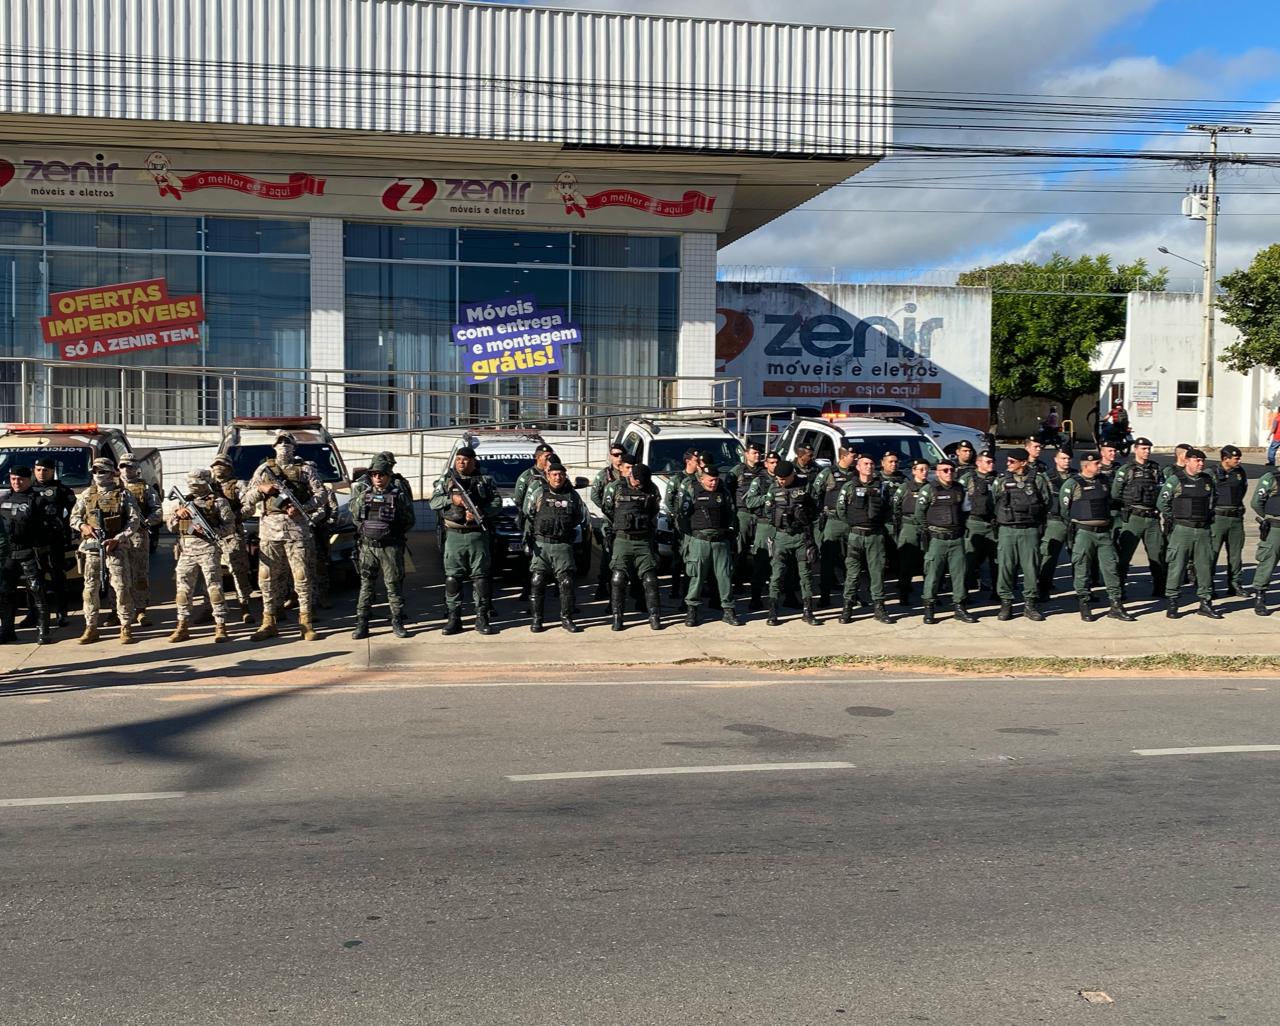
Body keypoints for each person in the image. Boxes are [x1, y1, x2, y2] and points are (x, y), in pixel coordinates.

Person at [243, 431, 323, 641]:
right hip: (269, 531)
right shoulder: (264, 469)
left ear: (294, 447)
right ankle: (268, 622)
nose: (284, 446)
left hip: (297, 530)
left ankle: (306, 622)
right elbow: (247, 499)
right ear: (273, 446)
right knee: (267, 578)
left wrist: (304, 507)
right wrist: (263, 489)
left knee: (301, 576)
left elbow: (321, 495)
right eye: (279, 443)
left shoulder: (305, 470)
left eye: (287, 443)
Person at [430, 446, 501, 636]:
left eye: (466, 459)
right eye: (459, 459)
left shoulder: (485, 481)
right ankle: (454, 619)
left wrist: (480, 513)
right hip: (454, 535)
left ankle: (482, 617)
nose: (461, 462)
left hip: (477, 534)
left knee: (481, 579)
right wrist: (452, 499)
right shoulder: (446, 481)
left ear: (473, 461)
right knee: (453, 578)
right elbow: (433, 503)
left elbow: (497, 503)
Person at [70, 458, 143, 644]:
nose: (98, 475)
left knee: (121, 588)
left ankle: (126, 626)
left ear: (112, 473)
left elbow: (134, 521)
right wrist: (83, 527)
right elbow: (74, 517)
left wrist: (118, 539)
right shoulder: (87, 494)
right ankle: (91, 627)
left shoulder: (124, 494)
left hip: (115, 548)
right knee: (90, 589)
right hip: (92, 548)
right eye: (95, 471)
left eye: (102, 471)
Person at [1060, 452, 1135, 623]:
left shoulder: (1103, 481)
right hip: (1084, 533)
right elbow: (1065, 509)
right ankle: (1085, 603)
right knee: (1082, 567)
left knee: (1111, 568)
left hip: (1103, 533)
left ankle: (1116, 605)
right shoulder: (1072, 484)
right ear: (1086, 466)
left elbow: (1109, 501)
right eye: (1097, 464)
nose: (1100, 466)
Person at [166, 469, 235, 644]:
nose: (193, 486)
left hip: (208, 550)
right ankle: (182, 625)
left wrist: (209, 532)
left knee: (214, 589)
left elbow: (230, 527)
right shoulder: (184, 503)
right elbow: (171, 527)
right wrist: (177, 516)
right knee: (183, 591)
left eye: (197, 482)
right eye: (191, 483)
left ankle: (220, 625)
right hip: (186, 552)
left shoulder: (219, 502)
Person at [351, 454, 416, 639]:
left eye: (381, 474)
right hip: (367, 547)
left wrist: (391, 533)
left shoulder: (398, 495)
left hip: (391, 547)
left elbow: (409, 520)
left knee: (393, 586)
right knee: (366, 586)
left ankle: (397, 621)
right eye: (374, 475)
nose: (377, 478)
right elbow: (356, 518)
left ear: (388, 475)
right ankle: (362, 624)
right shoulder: (363, 496)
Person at [1157, 447, 1221, 619]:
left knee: (1204, 566)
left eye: (1202, 461)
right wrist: (1176, 518)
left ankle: (1205, 603)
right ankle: (1172, 602)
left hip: (1203, 530)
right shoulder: (1175, 480)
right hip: (1182, 530)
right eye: (1197, 460)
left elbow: (1213, 501)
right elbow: (1162, 503)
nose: (1201, 464)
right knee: (1176, 566)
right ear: (1187, 461)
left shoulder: (1208, 480)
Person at [601, 457, 663, 631]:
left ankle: (654, 616)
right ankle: (617, 617)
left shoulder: (652, 489)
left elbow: (654, 510)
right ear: (630, 475)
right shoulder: (615, 488)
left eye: (642, 482)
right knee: (618, 578)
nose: (638, 485)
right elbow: (608, 510)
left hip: (643, 539)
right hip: (622, 539)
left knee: (650, 579)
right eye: (636, 481)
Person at [524, 460, 586, 633]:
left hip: (562, 545)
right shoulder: (538, 493)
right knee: (537, 582)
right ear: (547, 476)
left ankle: (566, 618)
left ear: (565, 476)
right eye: (554, 474)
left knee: (566, 582)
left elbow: (578, 517)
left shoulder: (573, 496)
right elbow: (529, 515)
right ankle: (537, 620)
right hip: (542, 544)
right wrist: (527, 541)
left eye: (561, 474)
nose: (558, 478)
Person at [994, 447, 1051, 621]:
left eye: (1012, 461)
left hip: (1029, 529)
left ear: (1023, 463)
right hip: (1007, 529)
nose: (1008, 464)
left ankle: (1030, 604)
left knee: (1031, 568)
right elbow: (994, 501)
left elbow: (1046, 502)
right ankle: (1006, 603)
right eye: (1008, 461)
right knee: (1005, 567)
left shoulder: (1038, 480)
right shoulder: (1002, 480)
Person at [679, 464, 740, 626]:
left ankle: (728, 610)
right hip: (700, 541)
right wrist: (690, 537)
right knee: (696, 577)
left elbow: (731, 514)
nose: (713, 483)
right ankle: (692, 611)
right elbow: (683, 517)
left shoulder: (724, 492)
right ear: (702, 478)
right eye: (710, 480)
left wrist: (729, 535)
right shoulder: (692, 490)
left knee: (725, 576)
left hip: (720, 542)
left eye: (716, 479)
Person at [835, 454, 894, 624]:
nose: (869, 466)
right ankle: (847, 607)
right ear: (858, 467)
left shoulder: (882, 487)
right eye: (865, 463)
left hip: (875, 535)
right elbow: (841, 509)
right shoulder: (849, 486)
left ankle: (879, 607)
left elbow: (888, 509)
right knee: (852, 573)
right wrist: (854, 523)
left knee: (877, 573)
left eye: (871, 463)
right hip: (855, 536)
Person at [915, 459, 975, 624]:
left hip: (956, 539)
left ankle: (960, 607)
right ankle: (929, 609)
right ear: (938, 472)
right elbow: (919, 514)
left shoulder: (959, 489)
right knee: (933, 575)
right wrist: (928, 531)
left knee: (959, 575)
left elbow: (966, 511)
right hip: (937, 539)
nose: (949, 473)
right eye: (945, 470)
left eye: (951, 470)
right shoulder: (929, 490)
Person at [0, 465, 53, 644]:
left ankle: (43, 631)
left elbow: (49, 529)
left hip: (30, 552)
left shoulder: (38, 501)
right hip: (9, 554)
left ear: (29, 479)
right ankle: (7, 630)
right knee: (5, 593)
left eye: (20, 479)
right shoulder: (4, 500)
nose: (17, 482)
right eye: (13, 479)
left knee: (37, 591)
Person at [762, 459, 819, 626]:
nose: (780, 481)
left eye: (783, 479)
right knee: (777, 575)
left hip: (801, 536)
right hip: (781, 537)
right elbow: (768, 511)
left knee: (805, 575)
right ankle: (773, 611)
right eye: (778, 478)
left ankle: (808, 611)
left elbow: (815, 509)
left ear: (792, 475)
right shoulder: (774, 489)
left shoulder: (805, 486)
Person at [1112, 437, 1165, 599]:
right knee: (1124, 556)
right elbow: (1115, 493)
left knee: (1157, 555)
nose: (1147, 452)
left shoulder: (1155, 469)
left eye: (1149, 449)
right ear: (1135, 449)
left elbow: (1161, 493)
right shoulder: (1126, 470)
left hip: (1152, 519)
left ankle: (1160, 588)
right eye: (1143, 449)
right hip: (1133, 518)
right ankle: (1119, 589)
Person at [118, 452, 162, 626]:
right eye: (123, 466)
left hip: (138, 536)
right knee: (118, 574)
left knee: (140, 573)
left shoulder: (145, 488)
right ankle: (116, 610)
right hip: (117, 536)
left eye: (130, 466)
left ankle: (141, 609)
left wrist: (147, 522)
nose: (127, 469)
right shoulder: (110, 487)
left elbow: (157, 511)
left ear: (137, 468)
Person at [210, 454, 255, 623]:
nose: (218, 468)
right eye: (215, 465)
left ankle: (245, 606)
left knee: (238, 571)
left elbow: (249, 507)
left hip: (232, 535)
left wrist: (232, 518)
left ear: (229, 467)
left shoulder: (238, 485)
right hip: (211, 537)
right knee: (210, 573)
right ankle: (210, 608)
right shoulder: (207, 485)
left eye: (222, 465)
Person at [810, 445, 857, 607]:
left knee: (852, 560)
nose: (855, 458)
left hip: (851, 522)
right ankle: (825, 596)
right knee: (828, 560)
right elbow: (814, 493)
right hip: (832, 521)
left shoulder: (856, 474)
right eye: (852, 455)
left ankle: (852, 595)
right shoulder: (828, 473)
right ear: (843, 456)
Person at [31, 456, 75, 628]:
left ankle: (61, 613)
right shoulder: (28, 488)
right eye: (39, 469)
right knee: (34, 579)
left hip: (54, 540)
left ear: (52, 471)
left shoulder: (62, 490)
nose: (42, 473)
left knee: (58, 578)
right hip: (34, 541)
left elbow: (75, 512)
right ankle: (34, 613)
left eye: (46, 470)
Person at [513, 443, 556, 601]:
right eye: (546, 457)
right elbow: (519, 499)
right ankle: (528, 589)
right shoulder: (527, 476)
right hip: (533, 524)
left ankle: (557, 590)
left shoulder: (555, 474)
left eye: (551, 457)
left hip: (553, 525)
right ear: (537, 457)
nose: (549, 460)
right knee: (530, 558)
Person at [1209, 445, 1251, 599]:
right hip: (1218, 518)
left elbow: (1243, 489)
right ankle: (1208, 586)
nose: (1238, 461)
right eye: (1236, 458)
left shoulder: (1240, 472)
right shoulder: (1212, 473)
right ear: (1225, 459)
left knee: (1235, 554)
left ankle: (1235, 585)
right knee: (1212, 554)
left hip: (1236, 518)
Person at [664, 447, 702, 605]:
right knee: (678, 558)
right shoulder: (677, 479)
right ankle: (675, 588)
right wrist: (678, 515)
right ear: (688, 461)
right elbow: (669, 500)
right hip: (681, 526)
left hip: (696, 525)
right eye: (696, 461)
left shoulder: (701, 478)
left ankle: (691, 589)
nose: (699, 463)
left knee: (692, 559)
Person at [589, 445, 627, 600]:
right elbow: (594, 495)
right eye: (615, 455)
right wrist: (607, 509)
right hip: (610, 521)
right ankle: (603, 586)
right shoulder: (605, 475)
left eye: (620, 454)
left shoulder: (629, 472)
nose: (618, 457)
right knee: (608, 554)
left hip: (626, 522)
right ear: (611, 456)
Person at [1037, 448, 1074, 601]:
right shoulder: (1046, 477)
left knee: (1079, 558)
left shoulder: (1076, 476)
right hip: (1054, 521)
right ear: (1056, 459)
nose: (1066, 461)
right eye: (1063, 458)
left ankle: (1083, 590)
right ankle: (1043, 589)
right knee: (1049, 557)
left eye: (1068, 459)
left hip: (1073, 521)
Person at [744, 450, 780, 611]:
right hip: (764, 525)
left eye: (777, 462)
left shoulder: (785, 479)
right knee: (761, 563)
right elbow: (750, 502)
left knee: (782, 563)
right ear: (766, 464)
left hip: (781, 526)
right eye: (771, 462)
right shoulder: (760, 481)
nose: (775, 465)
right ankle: (755, 597)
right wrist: (768, 497)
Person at [893, 457, 930, 606]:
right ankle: (904, 593)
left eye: (926, 469)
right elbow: (896, 506)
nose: (924, 472)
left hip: (926, 527)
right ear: (914, 471)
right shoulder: (905, 487)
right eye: (921, 469)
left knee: (928, 562)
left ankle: (929, 595)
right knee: (906, 563)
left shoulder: (931, 487)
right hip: (909, 526)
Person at [963, 448, 998, 597]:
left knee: (996, 561)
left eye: (993, 462)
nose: (992, 465)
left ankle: (997, 592)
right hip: (974, 523)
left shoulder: (998, 479)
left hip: (993, 524)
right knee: (969, 560)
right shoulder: (968, 479)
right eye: (988, 462)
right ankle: (963, 594)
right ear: (978, 463)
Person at [729, 443, 766, 582]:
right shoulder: (738, 470)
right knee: (740, 548)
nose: (757, 455)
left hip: (760, 514)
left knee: (760, 548)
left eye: (759, 453)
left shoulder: (764, 470)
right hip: (743, 513)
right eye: (754, 453)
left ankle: (759, 579)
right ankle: (737, 578)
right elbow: (729, 491)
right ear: (746, 454)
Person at [1249, 463, 1280, 615]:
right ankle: (1260, 597)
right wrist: (1267, 517)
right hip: (1275, 528)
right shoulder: (1271, 478)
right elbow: (1256, 502)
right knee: (1267, 562)